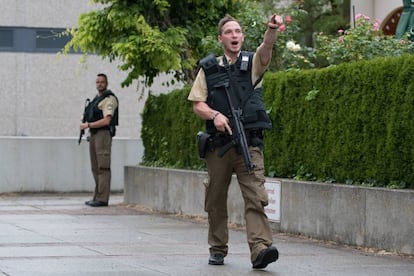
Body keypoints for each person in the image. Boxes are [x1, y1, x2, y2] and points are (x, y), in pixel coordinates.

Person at [188, 14, 283, 269]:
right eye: (229, 32)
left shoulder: (252, 63)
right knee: (216, 199)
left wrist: (271, 30)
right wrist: (214, 115)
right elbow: (198, 104)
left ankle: (261, 248)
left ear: (242, 36)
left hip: (248, 144)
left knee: (256, 196)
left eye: (238, 31)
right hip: (218, 146)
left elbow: (267, 49)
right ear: (221, 38)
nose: (234, 36)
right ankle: (217, 248)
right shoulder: (208, 68)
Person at [80, 73, 119, 207]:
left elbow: (107, 120)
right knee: (95, 167)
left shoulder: (109, 99)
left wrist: (89, 125)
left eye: (102, 82)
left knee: (103, 166)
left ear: (106, 83)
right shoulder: (96, 99)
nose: (99, 84)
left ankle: (102, 198)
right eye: (97, 82)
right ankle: (97, 196)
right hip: (95, 134)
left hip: (103, 134)